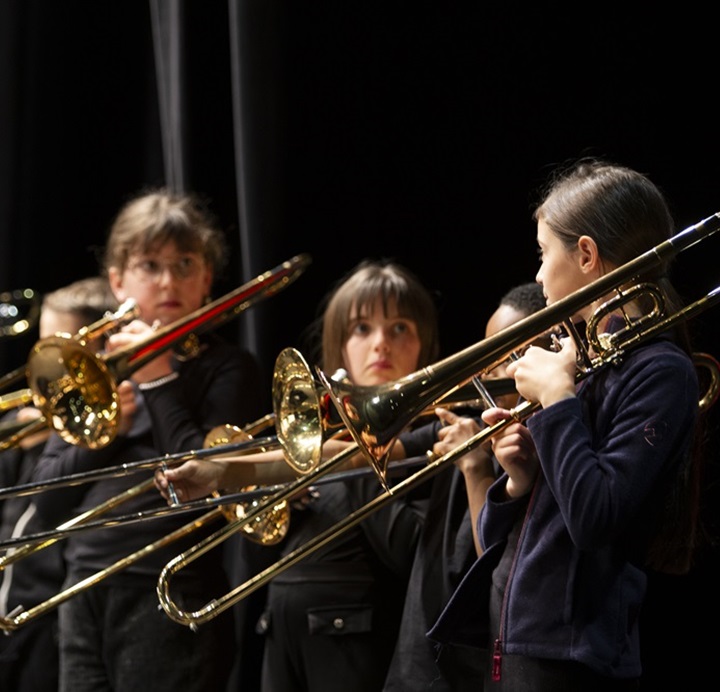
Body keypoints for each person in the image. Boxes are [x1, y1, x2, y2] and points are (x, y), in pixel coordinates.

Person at [427, 159, 706, 691]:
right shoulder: (579, 357)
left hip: (573, 660)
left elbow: (595, 518)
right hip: (515, 640)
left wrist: (556, 400)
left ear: (584, 254)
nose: (536, 275)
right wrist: (518, 477)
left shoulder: (660, 371)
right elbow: (503, 541)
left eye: (542, 252)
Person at [157, 259, 442, 691]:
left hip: (358, 644)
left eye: (399, 328)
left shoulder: (430, 431)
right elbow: (258, 559)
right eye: (362, 329)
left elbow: (413, 552)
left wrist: (359, 450)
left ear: (423, 344)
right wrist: (236, 481)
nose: (380, 344)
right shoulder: (312, 429)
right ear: (340, 344)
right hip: (281, 635)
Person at [30, 189, 265, 692]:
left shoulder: (227, 367)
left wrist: (159, 381)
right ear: (117, 280)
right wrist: (98, 436)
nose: (168, 282)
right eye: (150, 266)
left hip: (169, 588)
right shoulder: (89, 370)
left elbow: (205, 477)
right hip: (82, 588)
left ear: (207, 278)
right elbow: (45, 504)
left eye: (185, 264)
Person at [381, 281, 546, 692]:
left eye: (511, 356)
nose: (493, 375)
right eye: (489, 358)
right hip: (414, 667)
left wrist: (475, 468)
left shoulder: (546, 446)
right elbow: (364, 452)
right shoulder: (466, 423)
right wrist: (222, 473)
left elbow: (494, 563)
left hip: (472, 671)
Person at [0, 276, 118, 692]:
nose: (47, 365)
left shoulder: (102, 425)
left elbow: (50, 507)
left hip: (50, 618)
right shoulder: (33, 428)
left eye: (60, 345)